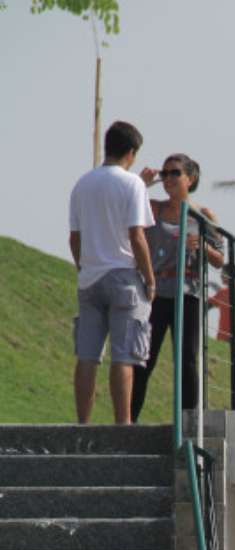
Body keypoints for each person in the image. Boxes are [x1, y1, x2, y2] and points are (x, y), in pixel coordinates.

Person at [68, 120, 155, 425]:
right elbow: (137, 236)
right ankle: (123, 425)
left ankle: (83, 424)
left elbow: (74, 238)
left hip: (90, 278)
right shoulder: (133, 184)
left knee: (88, 355)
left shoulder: (82, 184)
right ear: (131, 152)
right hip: (124, 277)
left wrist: (84, 266)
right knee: (124, 355)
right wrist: (149, 277)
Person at [131, 153, 224, 422]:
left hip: (189, 294)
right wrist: (142, 182)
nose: (168, 179)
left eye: (175, 174)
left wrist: (204, 247)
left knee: (187, 360)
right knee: (144, 360)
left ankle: (189, 423)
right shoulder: (154, 208)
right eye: (165, 173)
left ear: (190, 179)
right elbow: (125, 203)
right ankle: (129, 422)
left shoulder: (203, 216)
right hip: (156, 293)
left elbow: (220, 259)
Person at [209, 266, 235, 344]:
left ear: (230, 275)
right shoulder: (222, 292)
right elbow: (209, 304)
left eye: (223, 273)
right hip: (222, 337)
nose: (220, 276)